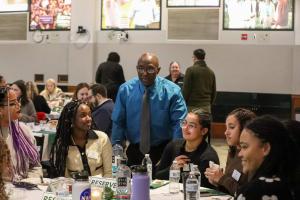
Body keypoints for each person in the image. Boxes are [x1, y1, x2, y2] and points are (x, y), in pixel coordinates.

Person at [111, 52, 187, 167]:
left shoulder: (172, 92)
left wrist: (175, 153)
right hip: (135, 149)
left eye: (150, 69)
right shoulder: (125, 91)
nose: (144, 74)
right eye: (140, 69)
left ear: (158, 70)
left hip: (163, 150)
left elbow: (179, 123)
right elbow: (118, 122)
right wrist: (117, 150)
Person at [236, 115, 298, 199]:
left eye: (245, 146)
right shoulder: (287, 184)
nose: (240, 154)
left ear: (265, 148)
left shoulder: (256, 190)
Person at [155, 109, 219, 188]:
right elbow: (156, 176)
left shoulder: (208, 157)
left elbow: (206, 189)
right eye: (184, 123)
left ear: (203, 131)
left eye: (191, 125)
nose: (185, 128)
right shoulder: (173, 146)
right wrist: (172, 169)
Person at [49, 100, 112, 178]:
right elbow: (64, 178)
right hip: (75, 188)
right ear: (71, 119)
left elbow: (109, 172)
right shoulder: (63, 144)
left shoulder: (102, 138)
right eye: (83, 115)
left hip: (100, 187)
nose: (89, 119)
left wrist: (103, 189)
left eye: (89, 114)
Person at [204, 108, 256, 195]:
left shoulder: (254, 157)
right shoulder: (233, 151)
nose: (226, 132)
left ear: (244, 129)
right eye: (226, 127)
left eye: (231, 127)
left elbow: (246, 194)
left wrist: (222, 178)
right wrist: (216, 181)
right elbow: (230, 189)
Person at [0, 87, 42, 179]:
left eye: (17, 101)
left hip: (23, 187)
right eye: (12, 103)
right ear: (0, 109)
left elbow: (35, 166)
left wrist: (31, 181)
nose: (18, 105)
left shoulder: (24, 130)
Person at [182, 49, 216, 113]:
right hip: (206, 107)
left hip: (192, 107)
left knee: (191, 123)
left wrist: (183, 104)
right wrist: (208, 104)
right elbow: (214, 92)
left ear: (194, 57)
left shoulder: (190, 70)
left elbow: (186, 90)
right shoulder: (211, 72)